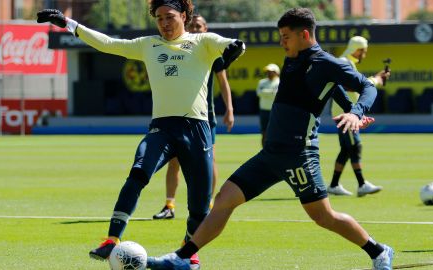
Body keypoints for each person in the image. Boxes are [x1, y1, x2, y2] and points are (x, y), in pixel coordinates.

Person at [147, 7, 393, 270]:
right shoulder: (293, 58)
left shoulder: (327, 62)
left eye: (286, 36)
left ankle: (378, 251)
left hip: (299, 155)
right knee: (224, 200)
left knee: (323, 216)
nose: (281, 41)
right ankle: (184, 259)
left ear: (305, 35)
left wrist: (356, 112)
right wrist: (347, 107)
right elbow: (331, 89)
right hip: (271, 154)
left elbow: (367, 87)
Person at [36, 1, 245, 269]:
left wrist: (234, 48)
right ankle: (111, 239)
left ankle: (187, 254)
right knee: (138, 174)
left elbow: (231, 43)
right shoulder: (148, 44)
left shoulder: (202, 41)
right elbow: (108, 43)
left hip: (197, 131)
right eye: (159, 18)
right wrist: (69, 24)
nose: (164, 23)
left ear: (184, 15)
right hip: (162, 129)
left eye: (169, 17)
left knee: (200, 204)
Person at [153, 14, 235, 220]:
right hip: (177, 116)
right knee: (174, 161)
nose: (196, 29)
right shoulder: (180, 48)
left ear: (206, 28)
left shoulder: (211, 51)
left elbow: (223, 83)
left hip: (205, 117)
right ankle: (169, 205)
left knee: (209, 160)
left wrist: (230, 109)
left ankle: (207, 204)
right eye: (193, 25)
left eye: (199, 26)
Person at [327, 36, 390, 197]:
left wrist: (376, 79)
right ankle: (361, 184)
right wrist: (374, 81)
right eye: (364, 51)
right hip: (346, 114)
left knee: (347, 148)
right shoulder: (344, 62)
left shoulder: (348, 62)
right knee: (355, 146)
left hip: (345, 112)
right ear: (357, 50)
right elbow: (348, 86)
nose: (365, 55)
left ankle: (334, 185)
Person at [256, 63, 280, 147]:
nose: (269, 73)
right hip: (264, 111)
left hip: (275, 111)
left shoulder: (279, 82)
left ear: (276, 72)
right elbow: (259, 93)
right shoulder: (262, 82)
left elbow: (276, 94)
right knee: (264, 132)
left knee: (276, 132)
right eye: (268, 72)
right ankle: (264, 151)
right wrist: (270, 92)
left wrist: (265, 92)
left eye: (271, 72)